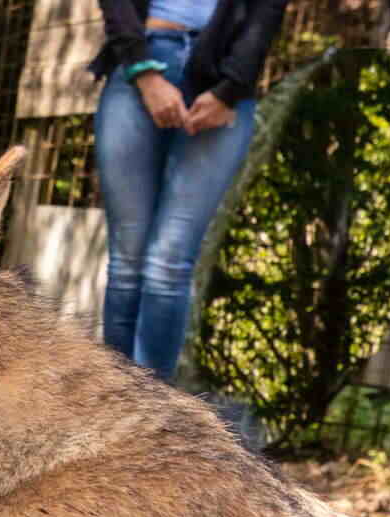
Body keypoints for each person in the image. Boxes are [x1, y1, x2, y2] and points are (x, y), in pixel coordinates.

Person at [91, 1, 289, 396]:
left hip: (221, 79)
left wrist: (230, 88)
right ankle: (109, 404)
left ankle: (154, 415)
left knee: (169, 264)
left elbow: (266, 11)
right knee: (127, 263)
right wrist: (143, 71)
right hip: (139, 66)